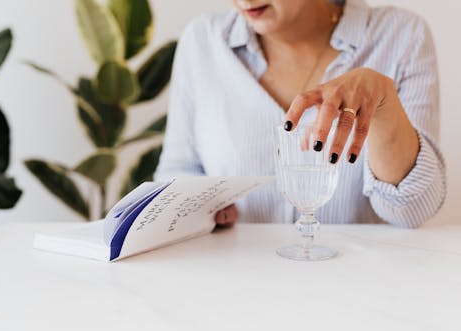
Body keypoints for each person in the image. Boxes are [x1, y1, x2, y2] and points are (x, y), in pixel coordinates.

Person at [154, 0, 447, 228]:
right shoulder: (203, 41)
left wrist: (383, 105)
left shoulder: (401, 37)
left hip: (354, 287)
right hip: (238, 280)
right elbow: (177, 169)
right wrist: (201, 206)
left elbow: (412, 211)